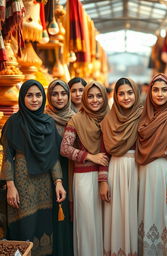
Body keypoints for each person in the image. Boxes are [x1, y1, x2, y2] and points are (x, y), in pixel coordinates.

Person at [0, 80, 66, 256]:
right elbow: (7, 155)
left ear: (43, 98)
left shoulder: (48, 123)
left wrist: (58, 182)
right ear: (22, 98)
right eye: (29, 95)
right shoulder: (14, 122)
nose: (34, 99)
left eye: (38, 95)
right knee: (25, 228)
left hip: (44, 185)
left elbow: (53, 157)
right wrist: (10, 186)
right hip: (22, 184)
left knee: (43, 229)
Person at [135, 73, 167, 255]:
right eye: (155, 90)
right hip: (145, 176)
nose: (159, 94)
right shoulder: (144, 116)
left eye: (164, 90)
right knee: (147, 219)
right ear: (149, 93)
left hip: (166, 175)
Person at [60, 81, 109, 256]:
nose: (95, 100)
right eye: (90, 96)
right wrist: (89, 156)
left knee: (107, 224)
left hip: (109, 177)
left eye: (98, 96)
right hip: (85, 178)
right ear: (85, 98)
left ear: (104, 98)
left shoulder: (110, 118)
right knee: (88, 223)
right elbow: (64, 148)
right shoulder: (77, 119)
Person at [101, 77, 143, 255]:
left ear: (136, 93)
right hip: (116, 170)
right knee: (117, 216)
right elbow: (103, 152)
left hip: (139, 170)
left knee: (136, 214)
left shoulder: (144, 116)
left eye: (129, 92)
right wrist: (103, 181)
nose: (126, 97)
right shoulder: (108, 120)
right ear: (115, 97)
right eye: (121, 94)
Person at [46, 79, 74, 256]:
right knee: (54, 215)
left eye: (63, 93)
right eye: (55, 94)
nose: (59, 97)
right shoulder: (44, 119)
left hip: (71, 171)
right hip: (49, 173)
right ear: (49, 97)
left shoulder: (75, 117)